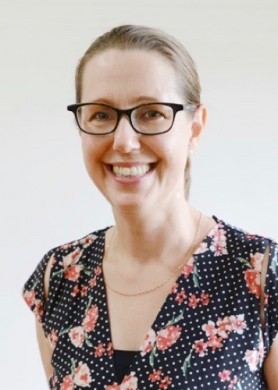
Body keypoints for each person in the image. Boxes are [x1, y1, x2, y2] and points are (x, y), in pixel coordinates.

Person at [22, 25, 278, 390]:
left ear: (195, 128)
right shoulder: (58, 277)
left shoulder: (263, 274)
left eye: (152, 113)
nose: (124, 141)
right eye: (101, 114)